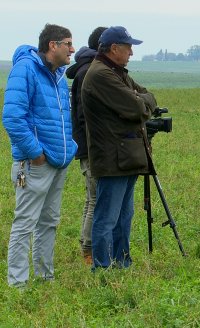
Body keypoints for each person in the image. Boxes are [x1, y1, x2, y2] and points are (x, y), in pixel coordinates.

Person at [2, 24, 77, 288]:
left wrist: (70, 147)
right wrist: (35, 154)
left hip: (58, 161)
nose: (72, 49)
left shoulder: (59, 74)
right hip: (35, 164)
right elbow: (12, 118)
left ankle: (45, 279)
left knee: (49, 222)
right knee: (25, 223)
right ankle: (18, 285)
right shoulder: (25, 69)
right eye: (68, 43)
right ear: (52, 45)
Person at [81, 26, 157, 269]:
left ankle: (122, 262)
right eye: (128, 47)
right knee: (107, 218)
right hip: (112, 157)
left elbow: (146, 96)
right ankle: (102, 268)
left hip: (125, 156)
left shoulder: (115, 71)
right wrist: (141, 103)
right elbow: (138, 108)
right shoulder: (101, 75)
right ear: (114, 49)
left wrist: (141, 101)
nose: (132, 52)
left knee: (124, 217)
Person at [66, 26, 107, 265]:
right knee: (96, 200)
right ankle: (89, 252)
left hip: (86, 145)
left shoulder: (85, 68)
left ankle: (86, 245)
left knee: (91, 198)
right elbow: (85, 116)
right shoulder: (90, 71)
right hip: (92, 147)